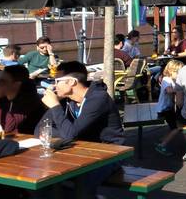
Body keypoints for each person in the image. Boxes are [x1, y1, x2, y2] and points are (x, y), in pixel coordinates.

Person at [38, 61, 125, 197]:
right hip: (81, 150)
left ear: (71, 82)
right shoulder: (66, 99)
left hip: (109, 153)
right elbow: (41, 130)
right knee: (44, 174)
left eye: (57, 81)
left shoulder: (98, 98)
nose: (54, 85)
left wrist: (55, 106)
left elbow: (70, 134)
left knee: (83, 180)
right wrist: (66, 131)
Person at [0, 65, 44, 134]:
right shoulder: (4, 96)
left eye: (2, 81)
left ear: (16, 84)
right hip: (13, 139)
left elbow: (8, 128)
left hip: (31, 139)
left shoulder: (29, 99)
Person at [154, 60, 184, 156]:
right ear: (172, 71)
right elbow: (169, 90)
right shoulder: (166, 79)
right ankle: (162, 145)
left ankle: (162, 140)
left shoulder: (172, 80)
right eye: (179, 73)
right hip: (164, 109)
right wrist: (181, 88)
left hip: (168, 108)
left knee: (173, 126)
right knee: (177, 128)